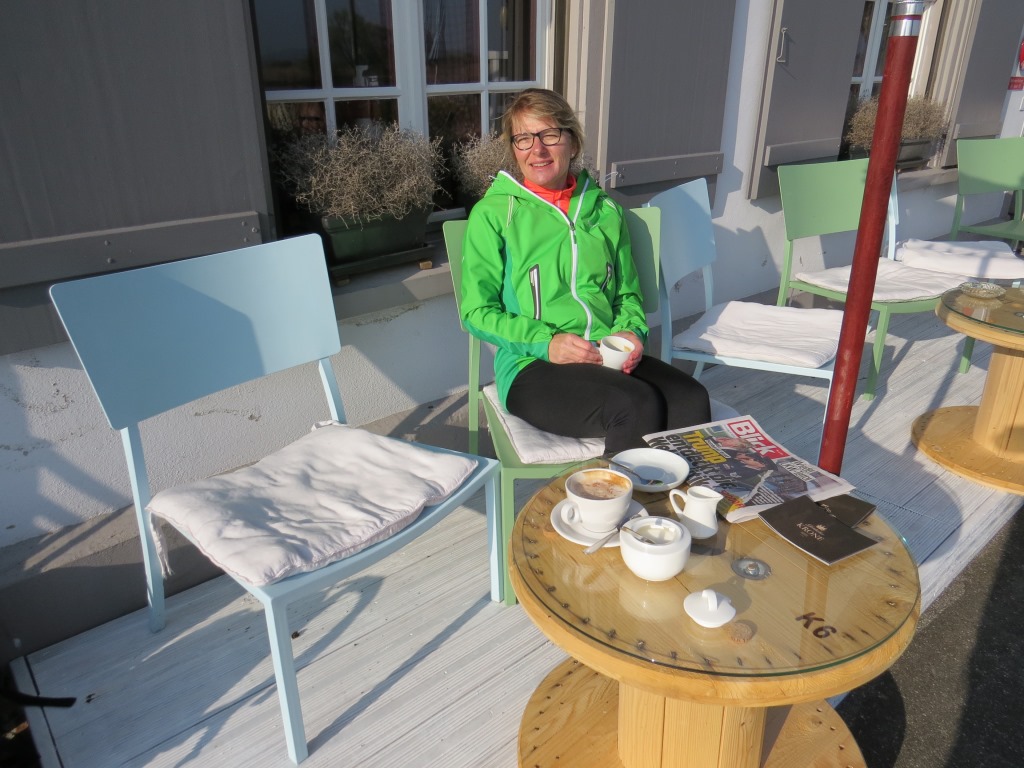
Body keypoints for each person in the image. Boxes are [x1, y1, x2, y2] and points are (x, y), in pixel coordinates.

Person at [459, 88, 711, 453]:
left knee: (691, 398)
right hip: (533, 363)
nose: (537, 149)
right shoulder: (495, 214)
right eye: (524, 138)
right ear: (514, 149)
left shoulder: (605, 211)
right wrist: (547, 343)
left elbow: (627, 294)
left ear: (573, 143)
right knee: (635, 405)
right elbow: (476, 313)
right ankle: (615, 491)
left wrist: (632, 331)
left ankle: (676, 489)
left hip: (605, 353)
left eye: (549, 135)